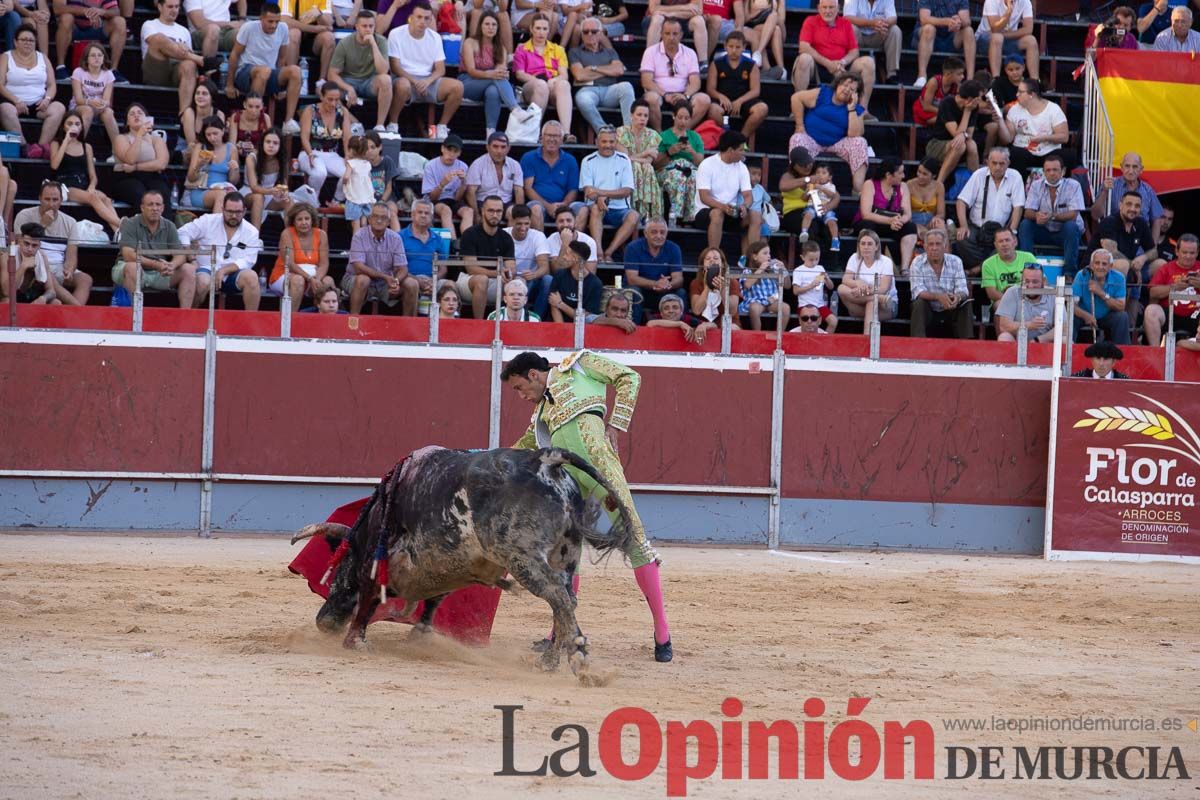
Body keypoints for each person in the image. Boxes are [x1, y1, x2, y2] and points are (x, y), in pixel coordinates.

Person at [503, 349, 673, 663]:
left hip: (602, 471)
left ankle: (662, 633)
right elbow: (523, 446)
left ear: (534, 375)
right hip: (569, 485)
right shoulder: (541, 415)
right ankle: (561, 631)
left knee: (635, 541)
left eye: (519, 387)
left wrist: (616, 425)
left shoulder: (579, 365)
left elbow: (629, 377)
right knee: (565, 556)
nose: (520, 394)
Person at [387, 2, 464, 138]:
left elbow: (440, 69)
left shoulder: (435, 37)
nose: (422, 21)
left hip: (428, 82)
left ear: (431, 20)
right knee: (402, 85)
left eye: (427, 18)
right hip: (405, 80)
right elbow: (395, 67)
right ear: (411, 17)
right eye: (419, 17)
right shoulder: (396, 34)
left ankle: (442, 126)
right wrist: (415, 81)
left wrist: (427, 81)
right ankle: (393, 124)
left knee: (457, 87)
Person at [179, 191, 265, 310]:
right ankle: (191, 317)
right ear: (222, 209)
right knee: (202, 282)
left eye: (238, 212)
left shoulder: (252, 231)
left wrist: (224, 270)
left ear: (244, 211)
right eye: (230, 212)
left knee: (252, 277)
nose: (234, 216)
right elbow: (182, 232)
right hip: (206, 268)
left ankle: (250, 321)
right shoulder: (208, 221)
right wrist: (191, 256)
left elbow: (249, 260)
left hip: (233, 274)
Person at [111, 190, 197, 308]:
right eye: (150, 204)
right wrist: (156, 264)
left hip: (159, 272)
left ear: (163, 208)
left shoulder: (169, 225)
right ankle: (130, 317)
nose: (155, 208)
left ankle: (185, 318)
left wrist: (172, 265)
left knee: (189, 269)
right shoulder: (130, 223)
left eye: (158, 205)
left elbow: (180, 254)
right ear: (142, 208)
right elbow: (128, 255)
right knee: (132, 266)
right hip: (130, 269)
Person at [788, 70, 869, 194]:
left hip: (837, 143)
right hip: (811, 139)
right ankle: (800, 185)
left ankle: (857, 189)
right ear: (837, 85)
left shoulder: (856, 109)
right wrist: (799, 125)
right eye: (845, 85)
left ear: (856, 95)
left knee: (860, 142)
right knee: (797, 138)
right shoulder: (823, 93)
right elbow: (796, 98)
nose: (847, 90)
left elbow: (854, 134)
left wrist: (851, 109)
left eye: (852, 89)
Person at [226, 4, 304, 129]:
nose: (274, 25)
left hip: (269, 72)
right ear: (261, 18)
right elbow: (234, 54)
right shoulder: (249, 27)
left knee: (295, 71)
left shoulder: (283, 28)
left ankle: (288, 121)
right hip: (245, 72)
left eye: (276, 22)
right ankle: (253, 119)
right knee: (264, 71)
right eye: (270, 21)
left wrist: (279, 87)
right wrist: (229, 84)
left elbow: (282, 57)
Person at [793, 0, 877, 112]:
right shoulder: (810, 21)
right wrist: (828, 64)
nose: (827, 11)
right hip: (817, 67)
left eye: (831, 7)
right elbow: (803, 47)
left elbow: (854, 51)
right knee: (804, 58)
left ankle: (863, 110)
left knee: (868, 62)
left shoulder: (846, 24)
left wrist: (842, 62)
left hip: (842, 69)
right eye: (824, 7)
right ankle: (798, 108)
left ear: (838, 9)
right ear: (819, 8)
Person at [49, 111, 121, 236]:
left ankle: (118, 234)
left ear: (81, 127)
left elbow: (93, 175)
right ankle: (123, 224)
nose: (73, 126)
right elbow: (54, 165)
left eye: (77, 124)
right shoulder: (56, 143)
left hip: (83, 183)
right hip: (66, 185)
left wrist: (92, 186)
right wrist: (66, 140)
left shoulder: (86, 147)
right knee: (93, 198)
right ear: (63, 126)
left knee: (106, 199)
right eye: (69, 123)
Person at [954, 147, 1025, 273]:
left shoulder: (1015, 176)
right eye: (994, 163)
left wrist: (1012, 231)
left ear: (1008, 163)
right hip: (977, 227)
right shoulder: (979, 175)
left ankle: (976, 270)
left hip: (1001, 228)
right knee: (962, 240)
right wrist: (963, 226)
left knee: (1009, 244)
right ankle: (988, 267)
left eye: (1002, 163)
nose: (998, 167)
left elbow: (1018, 208)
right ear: (988, 162)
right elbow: (961, 201)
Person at [0, 23, 65, 159]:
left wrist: (47, 99)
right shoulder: (6, 57)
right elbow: (0, 85)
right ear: (15, 42)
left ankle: (41, 147)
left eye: (31, 40)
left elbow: (52, 84)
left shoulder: (43, 58)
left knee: (58, 108)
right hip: (14, 103)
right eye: (23, 39)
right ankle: (24, 147)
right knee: (5, 109)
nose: (27, 43)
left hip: (38, 104)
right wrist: (16, 100)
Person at [142, 0, 217, 116]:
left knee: (190, 64)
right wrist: (178, 46)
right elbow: (154, 42)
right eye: (170, 6)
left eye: (177, 7)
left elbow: (188, 58)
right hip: (156, 69)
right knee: (159, 39)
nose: (174, 10)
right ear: (160, 7)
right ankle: (200, 60)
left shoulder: (184, 31)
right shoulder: (150, 24)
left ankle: (184, 115)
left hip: (178, 71)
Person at [577, 126, 640, 262]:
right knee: (595, 208)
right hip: (595, 207)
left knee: (634, 216)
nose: (608, 145)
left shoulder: (624, 160)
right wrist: (598, 198)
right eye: (604, 142)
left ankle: (609, 252)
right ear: (597, 142)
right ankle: (598, 253)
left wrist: (601, 194)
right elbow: (588, 191)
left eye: (611, 142)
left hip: (620, 209)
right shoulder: (588, 161)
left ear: (616, 142)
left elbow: (627, 190)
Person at [328, 10, 394, 131]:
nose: (368, 29)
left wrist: (373, 44)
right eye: (364, 26)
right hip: (349, 81)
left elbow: (383, 70)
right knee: (328, 90)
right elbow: (332, 74)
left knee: (386, 80)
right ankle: (354, 122)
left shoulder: (380, 41)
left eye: (371, 26)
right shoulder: (345, 43)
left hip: (369, 81)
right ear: (356, 27)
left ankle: (380, 125)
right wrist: (349, 88)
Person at [693, 129, 760, 251]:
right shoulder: (707, 164)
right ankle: (714, 256)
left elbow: (748, 195)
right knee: (717, 213)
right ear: (730, 150)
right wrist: (723, 207)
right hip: (705, 211)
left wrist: (745, 206)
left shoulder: (742, 167)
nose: (743, 153)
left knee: (755, 215)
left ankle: (753, 259)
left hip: (731, 211)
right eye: (740, 150)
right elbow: (704, 197)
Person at [1017, 155, 1083, 276]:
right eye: (1048, 170)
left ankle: (1069, 273)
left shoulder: (1073, 185)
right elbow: (1027, 212)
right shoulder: (1036, 185)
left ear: (1063, 171)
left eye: (1055, 170)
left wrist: (1052, 216)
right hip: (1044, 230)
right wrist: (1036, 215)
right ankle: (1027, 268)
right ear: (1043, 172)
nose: (1052, 173)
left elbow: (1074, 214)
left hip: (1065, 232)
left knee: (1071, 227)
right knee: (1025, 225)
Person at [640, 17, 711, 130]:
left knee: (704, 100)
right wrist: (665, 94)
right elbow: (646, 81)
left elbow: (695, 82)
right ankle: (660, 136)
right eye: (667, 33)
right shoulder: (650, 52)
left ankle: (681, 132)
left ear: (681, 35)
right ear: (661, 34)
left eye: (675, 34)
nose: (671, 37)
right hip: (659, 94)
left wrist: (685, 95)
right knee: (651, 98)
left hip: (683, 94)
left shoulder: (690, 53)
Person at [569, 16, 633, 136]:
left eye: (593, 31)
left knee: (626, 86)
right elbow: (579, 75)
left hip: (610, 90)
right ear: (581, 35)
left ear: (600, 34)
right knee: (583, 99)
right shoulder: (575, 52)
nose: (589, 34)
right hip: (588, 90)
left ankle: (629, 132)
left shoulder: (610, 52)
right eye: (585, 32)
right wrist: (608, 70)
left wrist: (593, 68)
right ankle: (603, 130)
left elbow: (619, 70)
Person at [344, 201, 411, 314]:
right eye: (375, 216)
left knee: (411, 284)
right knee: (363, 279)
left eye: (383, 217)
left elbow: (403, 268)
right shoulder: (359, 236)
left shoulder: (396, 238)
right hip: (356, 279)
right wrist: (385, 277)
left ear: (389, 222)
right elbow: (358, 268)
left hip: (385, 284)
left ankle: (410, 326)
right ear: (369, 219)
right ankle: (353, 321)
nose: (379, 220)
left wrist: (396, 281)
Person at [459, 11, 518, 137]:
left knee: (493, 91)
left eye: (494, 25)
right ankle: (515, 109)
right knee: (496, 79)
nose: (490, 27)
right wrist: (491, 74)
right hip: (467, 83)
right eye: (487, 24)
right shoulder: (470, 42)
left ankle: (490, 131)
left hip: (489, 85)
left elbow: (500, 73)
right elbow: (471, 70)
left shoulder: (501, 48)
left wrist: (500, 74)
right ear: (480, 26)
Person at [854, 157, 917, 275]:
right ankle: (869, 266)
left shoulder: (903, 187)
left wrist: (899, 222)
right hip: (873, 222)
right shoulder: (870, 184)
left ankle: (904, 269)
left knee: (910, 227)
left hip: (893, 224)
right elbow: (866, 213)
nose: (903, 176)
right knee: (867, 226)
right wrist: (889, 221)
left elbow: (908, 214)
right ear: (889, 175)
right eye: (900, 173)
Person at [457, 194, 515, 318]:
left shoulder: (506, 237)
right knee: (482, 279)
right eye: (491, 210)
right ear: (482, 211)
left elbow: (511, 267)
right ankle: (479, 324)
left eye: (499, 211)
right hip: (468, 281)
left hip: (496, 281)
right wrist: (499, 273)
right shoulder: (470, 234)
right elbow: (471, 269)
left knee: (520, 283)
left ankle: (514, 326)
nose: (495, 215)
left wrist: (509, 274)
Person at [112, 104, 173, 219]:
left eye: (140, 113)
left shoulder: (156, 139)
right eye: (132, 114)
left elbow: (161, 163)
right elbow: (130, 159)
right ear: (127, 122)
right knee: (139, 193)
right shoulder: (121, 138)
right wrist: (139, 135)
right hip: (126, 177)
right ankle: (143, 231)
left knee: (162, 192)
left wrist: (136, 167)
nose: (136, 115)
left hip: (151, 176)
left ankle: (165, 232)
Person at [269, 202, 334, 310]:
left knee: (328, 281)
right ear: (293, 222)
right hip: (285, 274)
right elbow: (289, 263)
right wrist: (309, 279)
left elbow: (324, 264)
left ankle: (327, 321)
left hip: (313, 276)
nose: (304, 222)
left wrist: (316, 279)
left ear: (312, 220)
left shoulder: (321, 234)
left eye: (307, 219)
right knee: (298, 281)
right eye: (299, 219)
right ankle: (290, 321)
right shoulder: (287, 233)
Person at [909, 227, 971, 338]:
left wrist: (957, 297)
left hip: (951, 309)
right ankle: (917, 344)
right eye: (931, 244)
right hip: (928, 311)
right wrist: (938, 297)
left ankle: (966, 344)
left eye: (938, 244)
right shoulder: (917, 262)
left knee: (966, 303)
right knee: (919, 303)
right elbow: (917, 291)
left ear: (944, 246)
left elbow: (963, 290)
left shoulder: (956, 261)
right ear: (925, 247)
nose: (934, 248)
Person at [1090, 153, 1165, 243]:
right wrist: (1105, 191)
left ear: (1141, 170)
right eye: (1127, 166)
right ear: (1121, 167)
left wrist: (1153, 247)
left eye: (1135, 167)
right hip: (1115, 241)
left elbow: (1157, 219)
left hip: (1140, 243)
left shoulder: (1148, 190)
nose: (1130, 171)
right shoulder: (1110, 185)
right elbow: (1095, 215)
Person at [705, 30, 768, 138]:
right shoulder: (716, 63)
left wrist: (740, 101)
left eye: (738, 47)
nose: (734, 50)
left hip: (743, 101)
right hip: (723, 101)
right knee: (712, 110)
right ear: (725, 46)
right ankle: (728, 136)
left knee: (762, 109)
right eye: (731, 46)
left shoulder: (751, 65)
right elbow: (710, 89)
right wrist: (721, 97)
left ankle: (741, 139)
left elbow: (755, 90)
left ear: (744, 47)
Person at [298, 82, 354, 199]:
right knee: (319, 173)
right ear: (322, 97)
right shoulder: (310, 110)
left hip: (331, 154)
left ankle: (337, 200)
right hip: (310, 151)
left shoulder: (342, 111)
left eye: (336, 100)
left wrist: (348, 156)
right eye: (330, 99)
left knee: (350, 173)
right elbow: (304, 136)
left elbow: (347, 137)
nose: (333, 103)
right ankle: (312, 200)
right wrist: (310, 153)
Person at [520, 121, 580, 232]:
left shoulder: (570, 160)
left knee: (582, 209)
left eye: (556, 136)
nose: (552, 139)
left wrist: (564, 205)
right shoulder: (529, 158)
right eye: (548, 135)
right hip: (539, 204)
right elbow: (528, 188)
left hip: (563, 205)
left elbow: (573, 190)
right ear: (541, 138)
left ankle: (574, 247)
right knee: (535, 208)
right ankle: (540, 247)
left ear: (562, 139)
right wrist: (548, 206)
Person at [1143, 234, 1199, 347]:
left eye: (1192, 253)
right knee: (1151, 310)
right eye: (1184, 252)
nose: (1188, 256)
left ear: (1197, 253)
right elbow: (1153, 292)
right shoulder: (1166, 268)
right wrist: (1174, 287)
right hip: (1170, 313)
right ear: (1177, 252)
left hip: (1196, 315)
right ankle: (1156, 352)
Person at [623, 217, 684, 321]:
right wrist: (655, 284)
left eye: (662, 232)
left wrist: (668, 285)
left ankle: (679, 329)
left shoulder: (674, 248)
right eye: (654, 232)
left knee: (680, 293)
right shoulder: (633, 247)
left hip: (663, 291)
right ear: (646, 234)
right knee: (634, 291)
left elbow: (679, 279)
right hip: (641, 290)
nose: (659, 236)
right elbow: (632, 279)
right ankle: (633, 329)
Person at [1003, 79, 1068, 175]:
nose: (1017, 95)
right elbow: (1008, 139)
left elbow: (1064, 137)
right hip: (1022, 149)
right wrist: (1000, 121)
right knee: (1014, 153)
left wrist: (1044, 138)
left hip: (1048, 151)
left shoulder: (1053, 109)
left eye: (1021, 92)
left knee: (1066, 156)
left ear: (1031, 95)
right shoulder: (1014, 109)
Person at [52, 0, 127, 84]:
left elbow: (116, 11)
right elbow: (58, 9)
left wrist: (102, 11)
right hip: (73, 27)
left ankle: (113, 71)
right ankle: (60, 67)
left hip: (97, 26)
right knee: (66, 18)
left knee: (120, 22)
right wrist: (86, 11)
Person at [778, 148, 839, 249]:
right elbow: (783, 186)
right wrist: (807, 180)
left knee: (830, 227)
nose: (807, 167)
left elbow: (836, 195)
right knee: (811, 228)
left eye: (809, 163)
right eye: (802, 165)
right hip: (794, 212)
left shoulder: (818, 173)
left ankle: (832, 263)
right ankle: (808, 261)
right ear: (794, 165)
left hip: (817, 209)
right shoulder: (788, 176)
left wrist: (828, 207)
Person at [925, 78, 983, 185]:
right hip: (937, 144)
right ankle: (939, 183)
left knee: (971, 144)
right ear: (969, 99)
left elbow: (969, 135)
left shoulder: (974, 107)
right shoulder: (947, 103)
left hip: (959, 144)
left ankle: (976, 186)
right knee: (960, 145)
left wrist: (963, 135)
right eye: (979, 98)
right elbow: (955, 134)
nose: (980, 100)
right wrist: (967, 111)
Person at [837, 229, 897, 331]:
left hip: (886, 306)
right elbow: (846, 280)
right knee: (841, 288)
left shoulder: (886, 261)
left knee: (871, 304)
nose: (866, 247)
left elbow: (883, 289)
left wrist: (863, 290)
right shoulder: (854, 258)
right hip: (858, 305)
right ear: (859, 246)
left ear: (876, 246)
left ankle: (867, 342)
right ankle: (877, 298)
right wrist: (858, 283)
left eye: (869, 244)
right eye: (863, 243)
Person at [1089, 191, 1156, 280]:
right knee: (1123, 264)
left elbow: (1154, 251)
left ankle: (1145, 293)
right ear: (1120, 205)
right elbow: (1111, 252)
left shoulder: (1141, 223)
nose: (1133, 209)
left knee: (1160, 264)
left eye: (1137, 206)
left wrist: (1144, 257)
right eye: (1129, 204)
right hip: (1097, 268)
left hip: (1129, 268)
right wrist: (1133, 266)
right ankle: (1117, 294)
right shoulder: (1109, 221)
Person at [656, 102, 704, 225]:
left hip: (690, 169)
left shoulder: (695, 137)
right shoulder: (664, 136)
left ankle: (689, 219)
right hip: (668, 170)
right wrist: (669, 152)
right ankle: (675, 216)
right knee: (679, 176)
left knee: (694, 177)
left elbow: (702, 164)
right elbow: (655, 164)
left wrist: (692, 152)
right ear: (673, 116)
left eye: (686, 118)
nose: (683, 122)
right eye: (680, 117)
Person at [399, 198, 451, 311]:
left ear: (431, 217)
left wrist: (433, 281)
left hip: (432, 280)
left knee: (451, 286)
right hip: (408, 278)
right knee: (412, 284)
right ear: (412, 215)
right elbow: (397, 267)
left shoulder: (438, 239)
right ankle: (409, 324)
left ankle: (448, 325)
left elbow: (443, 268)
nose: (423, 215)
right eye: (420, 212)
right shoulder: (400, 237)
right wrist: (418, 281)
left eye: (427, 213)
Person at [616, 100, 663, 221]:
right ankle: (634, 209)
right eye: (639, 115)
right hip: (623, 172)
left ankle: (647, 213)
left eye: (645, 116)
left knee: (646, 167)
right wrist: (645, 152)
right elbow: (624, 159)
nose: (642, 118)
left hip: (645, 173)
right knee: (635, 166)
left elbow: (648, 162)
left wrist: (637, 157)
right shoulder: (621, 132)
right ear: (631, 115)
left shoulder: (653, 135)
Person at [1071, 249, 1130, 345]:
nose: (1100, 267)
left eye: (1104, 264)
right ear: (1091, 264)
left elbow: (1121, 306)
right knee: (1070, 317)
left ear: (1110, 266)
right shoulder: (1082, 275)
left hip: (1106, 316)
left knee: (1122, 317)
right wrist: (1086, 316)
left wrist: (1101, 293)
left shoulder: (1119, 278)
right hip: (1084, 314)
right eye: (1097, 263)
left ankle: (1122, 352)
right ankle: (1068, 349)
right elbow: (1071, 305)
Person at [913, 0, 975, 88]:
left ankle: (970, 80)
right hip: (929, 37)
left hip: (952, 36)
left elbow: (967, 21)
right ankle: (922, 76)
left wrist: (958, 22)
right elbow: (924, 19)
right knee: (929, 29)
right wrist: (947, 21)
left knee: (969, 31)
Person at [503, 203, 552, 316]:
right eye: (519, 224)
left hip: (531, 280)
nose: (523, 228)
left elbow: (544, 267)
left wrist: (534, 274)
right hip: (509, 280)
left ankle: (535, 317)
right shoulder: (504, 234)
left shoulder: (538, 236)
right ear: (512, 221)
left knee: (548, 280)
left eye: (527, 223)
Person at [278, 0, 337, 90]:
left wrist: (319, 14)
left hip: (315, 40)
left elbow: (329, 24)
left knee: (329, 37)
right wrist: (313, 28)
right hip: (296, 35)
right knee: (294, 33)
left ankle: (322, 82)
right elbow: (285, 21)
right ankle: (292, 78)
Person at [69, 42, 120, 147]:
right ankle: (77, 147)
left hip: (98, 108)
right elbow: (78, 99)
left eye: (100, 55)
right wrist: (90, 102)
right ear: (86, 58)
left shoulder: (108, 74)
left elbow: (107, 100)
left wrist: (103, 104)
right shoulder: (78, 72)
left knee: (109, 112)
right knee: (88, 110)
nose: (97, 58)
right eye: (93, 55)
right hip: (79, 107)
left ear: (103, 58)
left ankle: (118, 150)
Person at [186, 115, 240, 212]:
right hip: (201, 191)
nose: (212, 138)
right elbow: (191, 178)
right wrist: (199, 165)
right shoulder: (200, 147)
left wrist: (234, 169)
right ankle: (215, 227)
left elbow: (233, 181)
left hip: (224, 188)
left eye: (215, 133)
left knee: (228, 196)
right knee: (221, 195)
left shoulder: (231, 148)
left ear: (223, 131)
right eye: (208, 134)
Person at [975, 0, 1038, 81]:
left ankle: (1035, 81)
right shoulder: (991, 1)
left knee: (1031, 40)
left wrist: (1004, 35)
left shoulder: (1025, 2)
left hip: (1007, 39)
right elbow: (995, 29)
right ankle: (996, 80)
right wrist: (1008, 12)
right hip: (985, 41)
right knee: (997, 37)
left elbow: (1028, 29)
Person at [243, 127, 293, 227]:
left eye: (275, 143)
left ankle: (290, 238)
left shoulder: (282, 160)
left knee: (288, 201)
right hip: (250, 193)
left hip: (271, 195)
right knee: (259, 197)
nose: (271, 146)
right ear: (262, 143)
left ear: (280, 145)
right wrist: (271, 191)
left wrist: (282, 194)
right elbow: (254, 187)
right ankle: (254, 238)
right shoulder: (252, 158)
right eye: (268, 142)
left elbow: (284, 184)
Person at [423, 134, 472, 234]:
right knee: (446, 211)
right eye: (449, 150)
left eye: (455, 151)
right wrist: (442, 184)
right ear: (442, 149)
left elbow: (458, 198)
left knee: (469, 211)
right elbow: (432, 198)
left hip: (453, 200)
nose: (451, 154)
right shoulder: (430, 166)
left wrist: (463, 183)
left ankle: (467, 244)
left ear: (459, 153)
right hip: (436, 201)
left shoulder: (463, 166)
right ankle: (452, 243)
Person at [465, 130, 524, 213]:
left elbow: (519, 191)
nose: (499, 151)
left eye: (503, 147)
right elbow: (470, 192)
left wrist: (519, 214)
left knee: (513, 213)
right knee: (489, 212)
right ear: (488, 147)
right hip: (483, 203)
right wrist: (476, 215)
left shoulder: (515, 165)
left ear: (508, 148)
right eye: (495, 146)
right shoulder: (477, 164)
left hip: (505, 203)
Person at [737, 240, 790, 330]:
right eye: (765, 253)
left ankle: (779, 335)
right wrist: (761, 269)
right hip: (756, 301)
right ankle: (757, 335)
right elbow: (747, 284)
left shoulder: (772, 271)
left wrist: (784, 269)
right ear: (755, 257)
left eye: (769, 253)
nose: (769, 256)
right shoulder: (747, 271)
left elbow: (787, 285)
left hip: (772, 301)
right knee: (754, 308)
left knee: (785, 308)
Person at [843, 0, 899, 84]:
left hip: (878, 34)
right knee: (850, 28)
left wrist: (882, 24)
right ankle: (851, 69)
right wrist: (871, 23)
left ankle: (891, 74)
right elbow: (847, 18)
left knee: (895, 30)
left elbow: (893, 18)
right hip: (858, 35)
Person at [994, 264, 1054, 343]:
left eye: (1035, 282)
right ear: (1021, 280)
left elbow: (1064, 328)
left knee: (1065, 340)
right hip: (1017, 343)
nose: (1030, 286)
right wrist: (1029, 325)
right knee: (1004, 337)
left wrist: (1039, 340)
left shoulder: (1053, 294)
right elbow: (1004, 326)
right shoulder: (1012, 292)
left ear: (1044, 281)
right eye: (1027, 281)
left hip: (1045, 344)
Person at [2, 223, 59, 304]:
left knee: (56, 302)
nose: (29, 249)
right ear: (20, 241)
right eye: (26, 243)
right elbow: (6, 292)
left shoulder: (42, 256)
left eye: (34, 245)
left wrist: (43, 298)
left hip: (31, 297)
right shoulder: (7, 256)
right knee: (7, 301)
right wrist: (23, 266)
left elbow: (51, 291)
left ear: (39, 246)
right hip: (12, 297)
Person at [548, 240, 604, 322]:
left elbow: (587, 318)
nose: (564, 257)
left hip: (583, 328)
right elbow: (553, 304)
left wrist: (561, 304)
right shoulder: (560, 275)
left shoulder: (595, 284)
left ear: (575, 259)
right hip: (559, 324)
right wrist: (561, 328)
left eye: (567, 254)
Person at [644, 0, 707, 68]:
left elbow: (698, 10)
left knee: (699, 21)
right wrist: (683, 7)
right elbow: (653, 8)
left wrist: (672, 14)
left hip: (682, 18)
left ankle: (703, 63)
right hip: (658, 19)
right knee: (657, 19)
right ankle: (649, 61)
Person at [980, 227, 1035, 304]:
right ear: (995, 245)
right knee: (999, 304)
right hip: (1003, 301)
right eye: (1000, 241)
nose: (1004, 244)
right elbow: (991, 293)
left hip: (1027, 299)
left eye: (1007, 240)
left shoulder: (1029, 258)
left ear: (1015, 242)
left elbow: (1042, 282)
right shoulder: (988, 264)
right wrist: (1013, 302)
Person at [790, 240, 836, 333]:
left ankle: (823, 342)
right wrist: (810, 286)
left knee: (833, 321)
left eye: (817, 259)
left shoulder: (820, 268)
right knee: (808, 324)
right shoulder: (798, 271)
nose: (814, 262)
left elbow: (831, 287)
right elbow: (795, 291)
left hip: (819, 305)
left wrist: (827, 278)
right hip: (805, 306)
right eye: (811, 259)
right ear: (802, 257)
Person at [689, 246, 741, 326]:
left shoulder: (732, 282)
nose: (712, 260)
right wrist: (707, 287)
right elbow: (697, 310)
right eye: (708, 259)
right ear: (703, 265)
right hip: (704, 325)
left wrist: (723, 289)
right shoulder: (696, 283)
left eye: (716, 258)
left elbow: (732, 311)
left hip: (728, 325)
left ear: (723, 264)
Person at [180, 81, 225, 167]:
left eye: (204, 94)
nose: (200, 96)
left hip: (211, 147)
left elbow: (218, 141)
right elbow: (191, 143)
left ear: (212, 97)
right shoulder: (189, 112)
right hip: (187, 148)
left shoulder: (219, 114)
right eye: (197, 93)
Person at [912, 56, 964, 128]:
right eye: (959, 74)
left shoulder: (956, 86)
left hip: (940, 112)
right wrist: (946, 112)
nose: (963, 77)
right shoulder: (934, 82)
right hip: (925, 113)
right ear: (948, 74)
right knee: (950, 120)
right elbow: (926, 107)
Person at [648, 292, 715, 342]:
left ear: (681, 311)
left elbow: (714, 325)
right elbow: (650, 323)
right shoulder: (657, 318)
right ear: (661, 313)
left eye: (675, 307)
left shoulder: (686, 318)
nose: (671, 311)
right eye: (666, 308)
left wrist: (703, 326)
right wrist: (680, 324)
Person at [341, 134, 376, 231]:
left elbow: (346, 176)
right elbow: (369, 178)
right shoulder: (368, 164)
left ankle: (356, 243)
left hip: (355, 197)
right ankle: (365, 243)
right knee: (364, 223)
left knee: (355, 223)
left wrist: (344, 182)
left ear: (351, 150)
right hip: (366, 197)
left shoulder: (351, 163)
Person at [547, 205, 597, 272]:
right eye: (561, 221)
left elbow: (590, 273)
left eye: (569, 220)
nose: (565, 225)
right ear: (556, 223)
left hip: (580, 279)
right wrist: (565, 244)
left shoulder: (589, 241)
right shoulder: (551, 239)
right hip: (560, 281)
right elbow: (556, 271)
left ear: (575, 221)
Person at [227, 93, 272, 160]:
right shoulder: (236, 116)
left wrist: (254, 151)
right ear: (244, 105)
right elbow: (232, 143)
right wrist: (238, 147)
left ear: (262, 106)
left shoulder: (265, 118)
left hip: (257, 153)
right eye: (250, 106)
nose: (253, 110)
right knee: (233, 152)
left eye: (257, 107)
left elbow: (268, 141)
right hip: (238, 152)